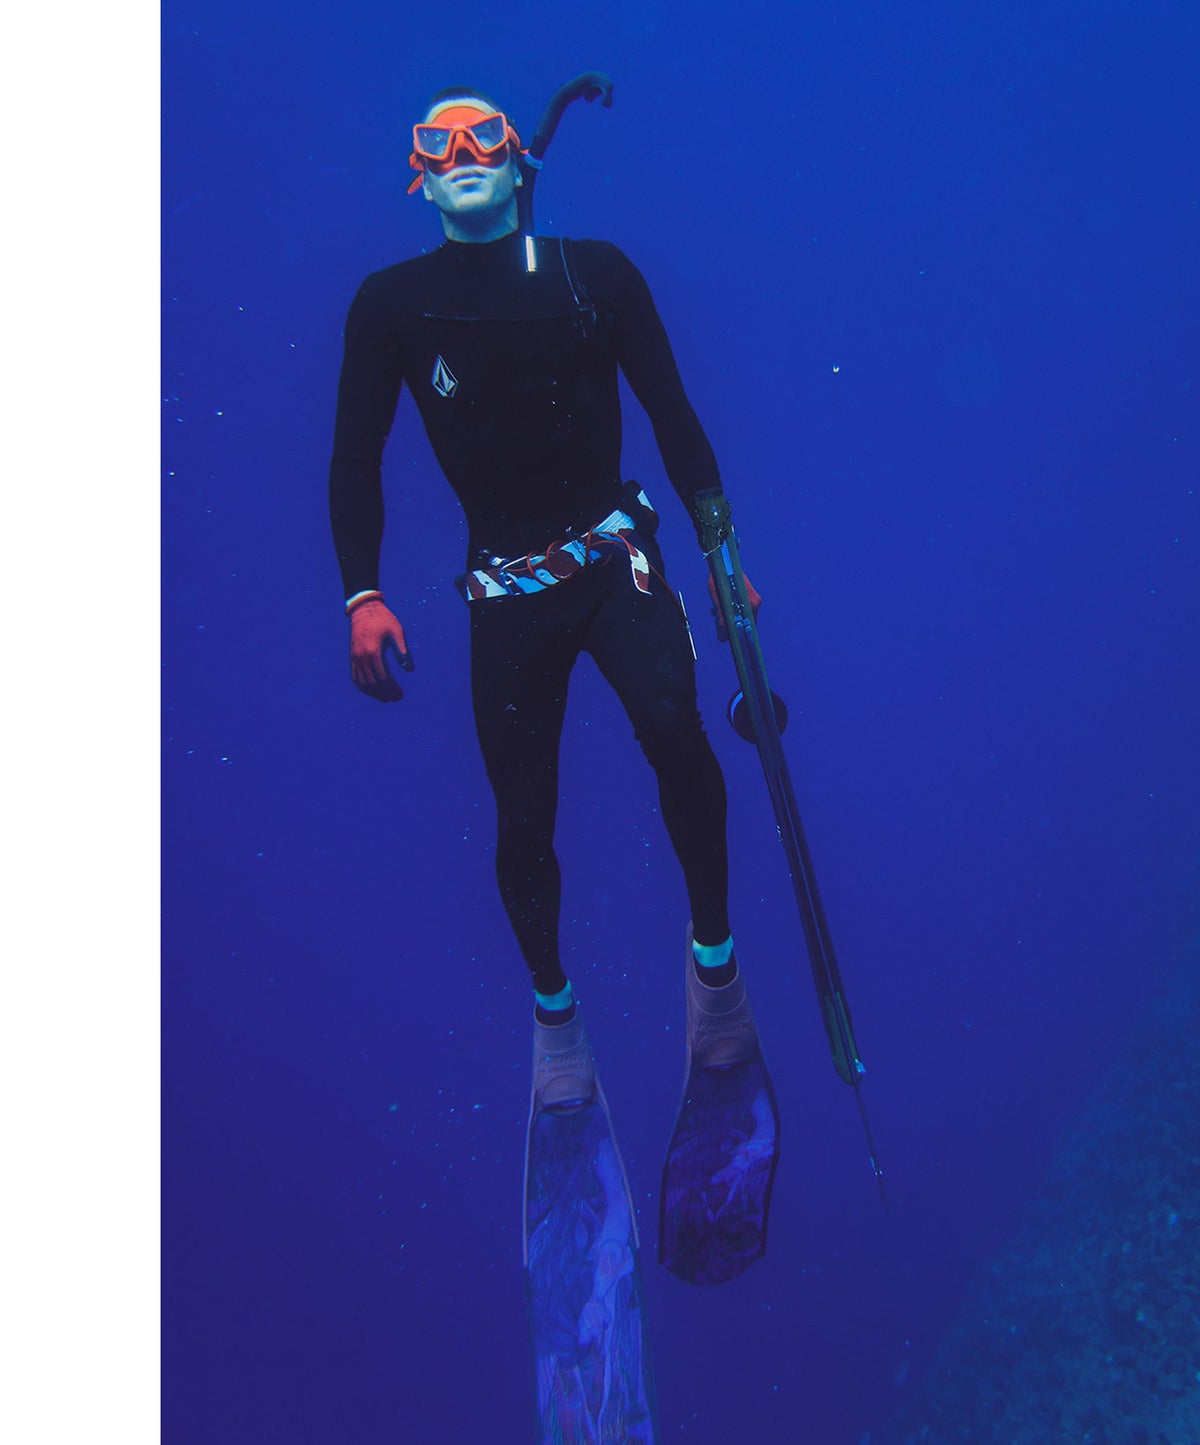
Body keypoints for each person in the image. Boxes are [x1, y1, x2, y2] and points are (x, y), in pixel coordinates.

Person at [328, 87, 763, 1109]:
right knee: (523, 816)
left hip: (620, 559)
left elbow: (671, 410)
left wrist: (717, 544)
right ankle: (555, 1017)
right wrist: (361, 592)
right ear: (418, 175)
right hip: (503, 595)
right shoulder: (386, 303)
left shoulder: (596, 272)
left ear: (522, 163)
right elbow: (355, 457)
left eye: (484, 134)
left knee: (674, 727)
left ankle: (716, 973)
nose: (461, 150)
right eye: (435, 140)